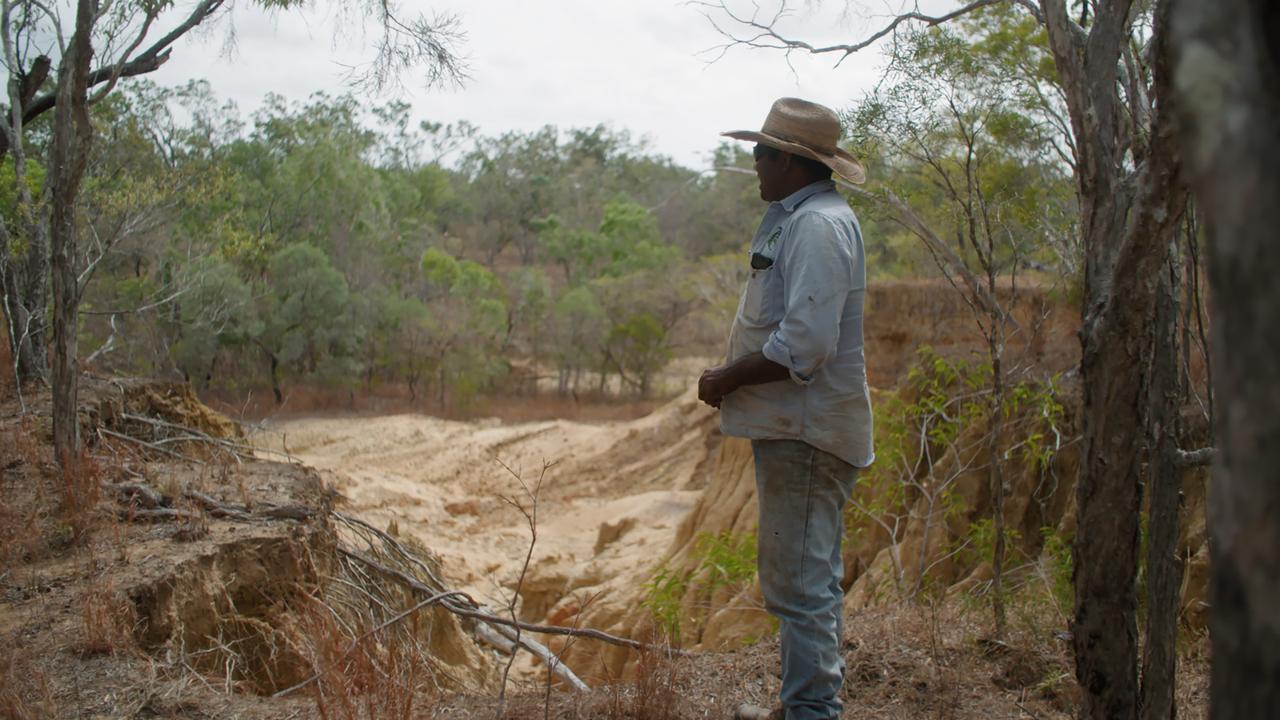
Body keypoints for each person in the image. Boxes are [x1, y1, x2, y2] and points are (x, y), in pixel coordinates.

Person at [698, 97, 874, 720]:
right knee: (807, 576)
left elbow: (806, 344)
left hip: (807, 431)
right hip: (799, 428)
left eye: (762, 153)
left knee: (799, 585)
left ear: (793, 162)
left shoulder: (818, 226)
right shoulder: (797, 216)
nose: (754, 162)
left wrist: (728, 377)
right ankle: (806, 704)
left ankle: (811, 711)